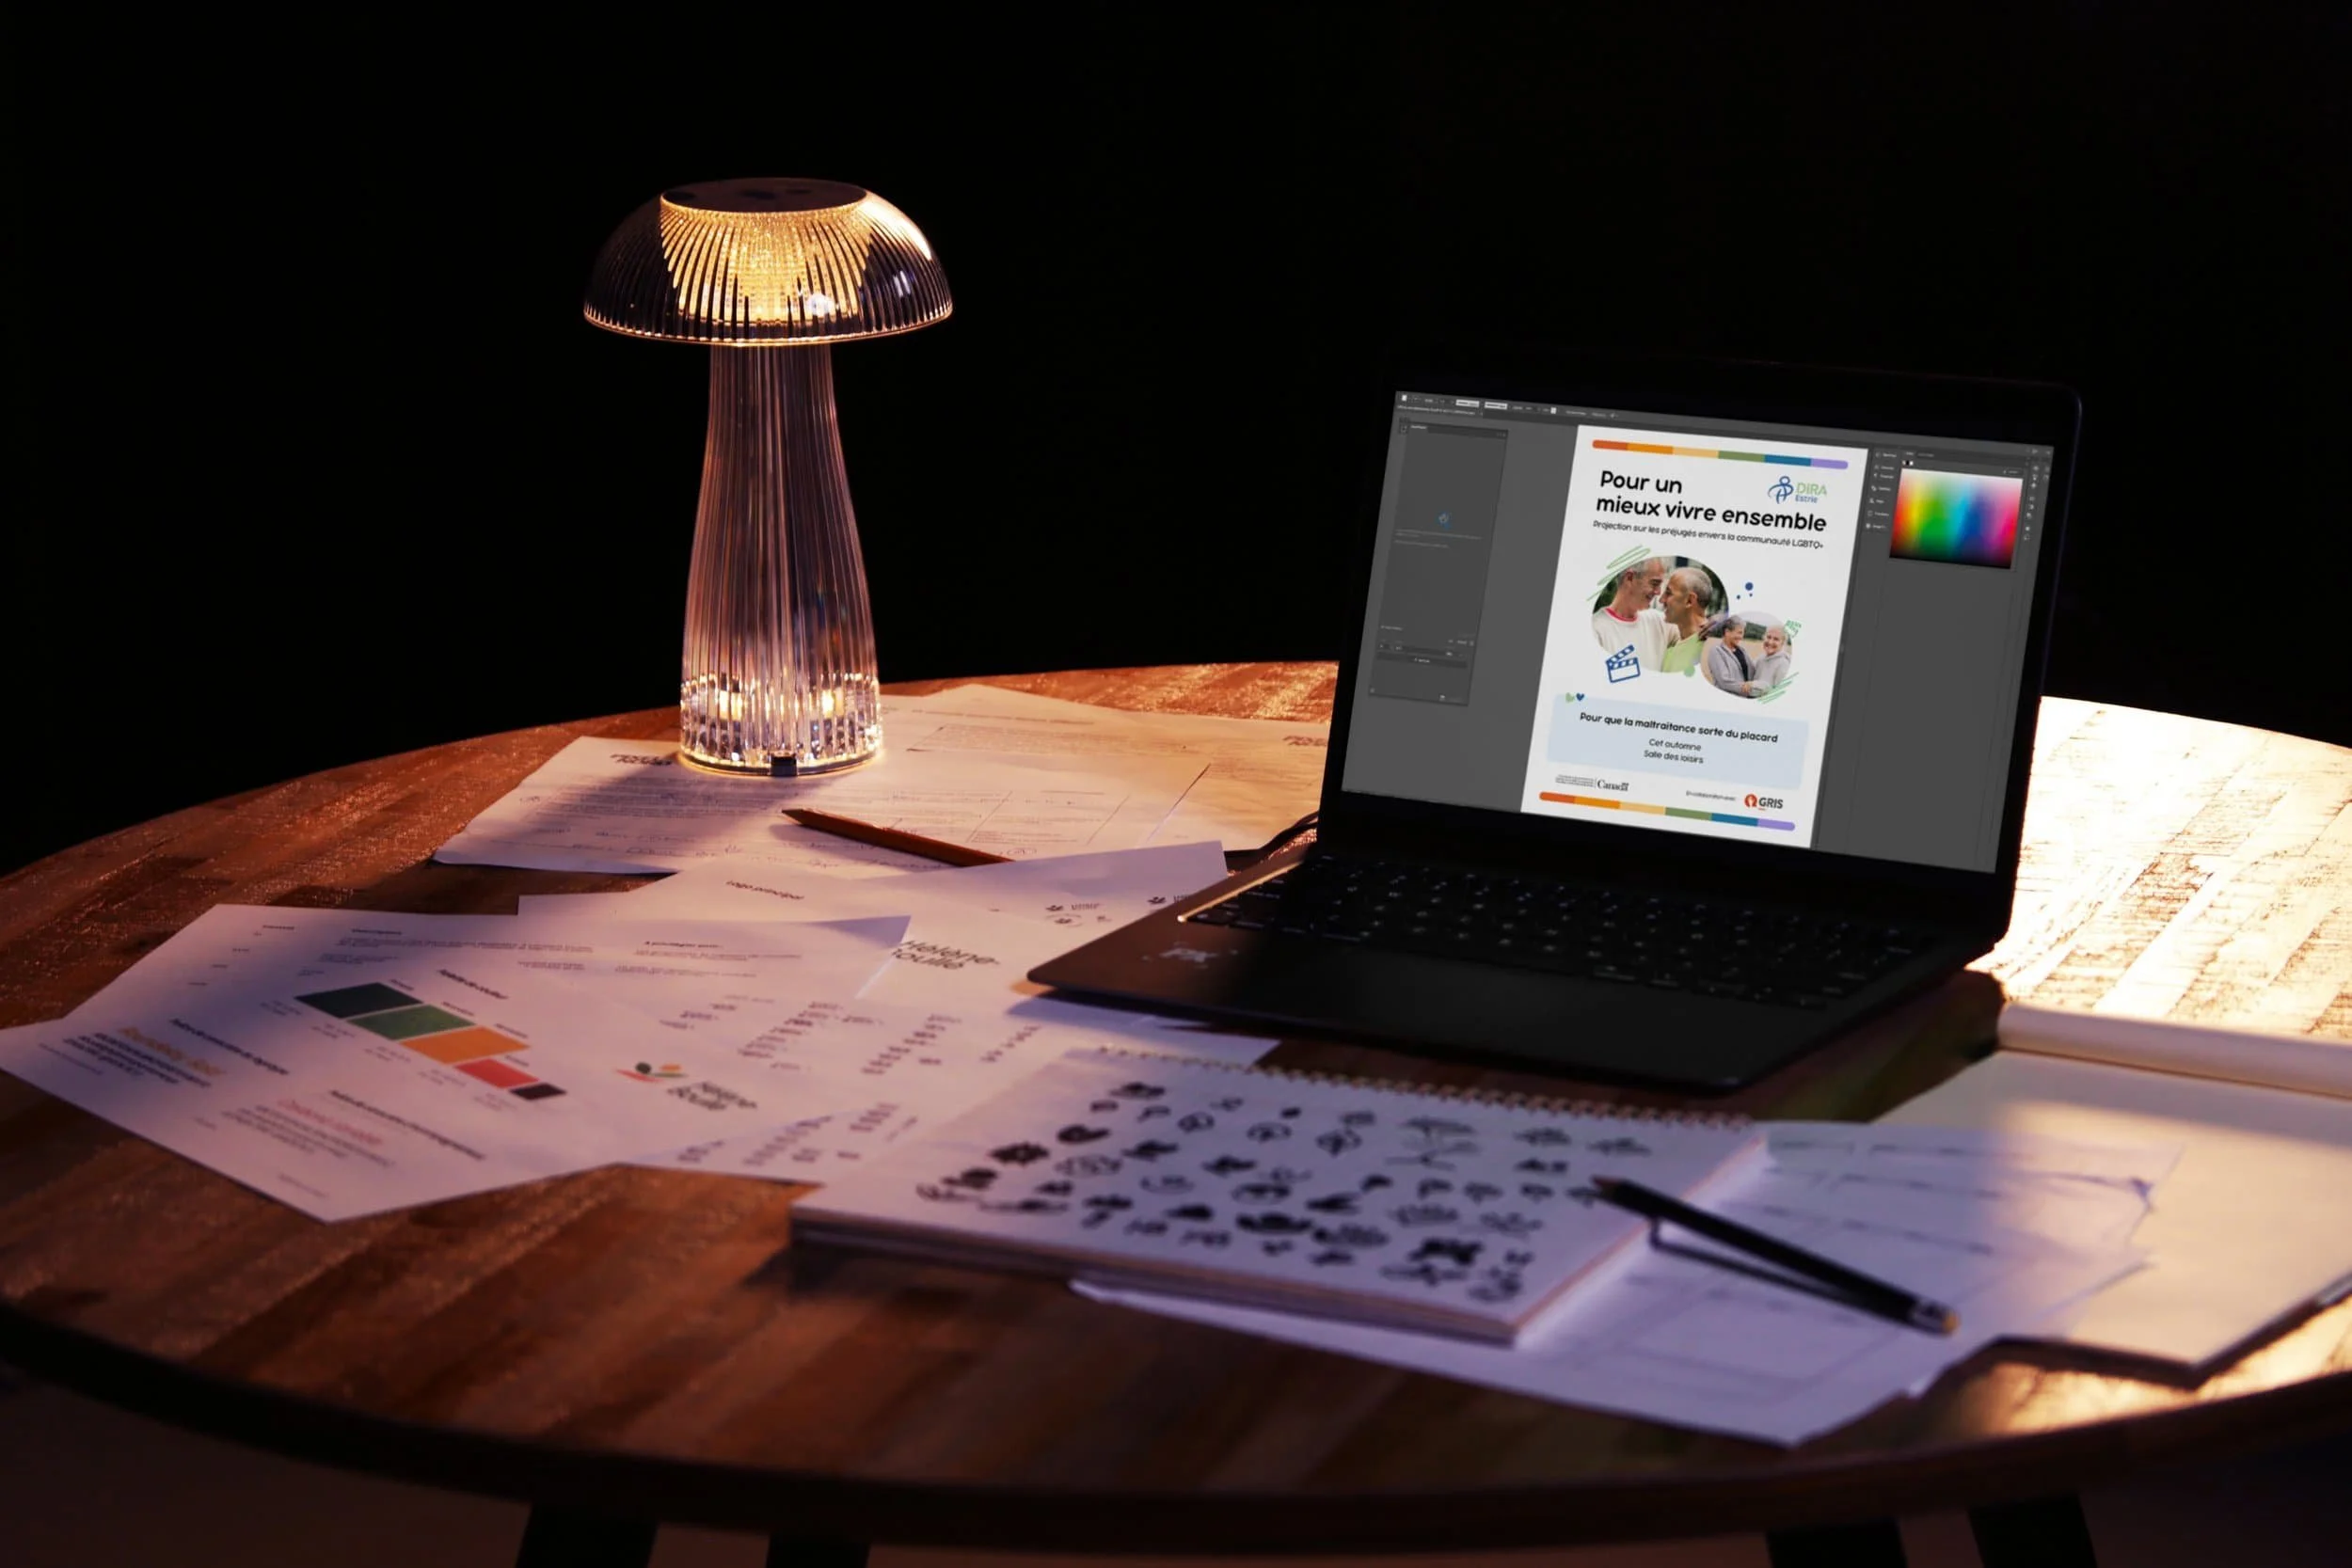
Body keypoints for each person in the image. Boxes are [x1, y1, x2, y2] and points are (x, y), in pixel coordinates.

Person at [1590, 556, 1678, 674]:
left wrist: (1711, 626)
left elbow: (1695, 631)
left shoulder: (1659, 621)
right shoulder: (1596, 629)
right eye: (1654, 583)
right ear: (1630, 578)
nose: (1658, 592)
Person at [1658, 566, 1712, 674]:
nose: (1661, 600)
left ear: (1689, 601)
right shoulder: (1670, 651)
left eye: (1668, 593)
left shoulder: (1711, 650)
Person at [1705, 616, 1756, 696]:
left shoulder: (1742, 650)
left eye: (1742, 633)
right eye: (1739, 632)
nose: (1741, 637)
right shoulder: (1716, 651)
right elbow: (1724, 681)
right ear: (1727, 632)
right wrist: (1746, 688)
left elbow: (1753, 671)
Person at [1748, 623, 1792, 694]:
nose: (1770, 642)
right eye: (1768, 637)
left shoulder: (1783, 664)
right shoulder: (1761, 658)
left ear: (1782, 643)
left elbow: (1779, 693)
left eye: (1776, 639)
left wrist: (1755, 685)